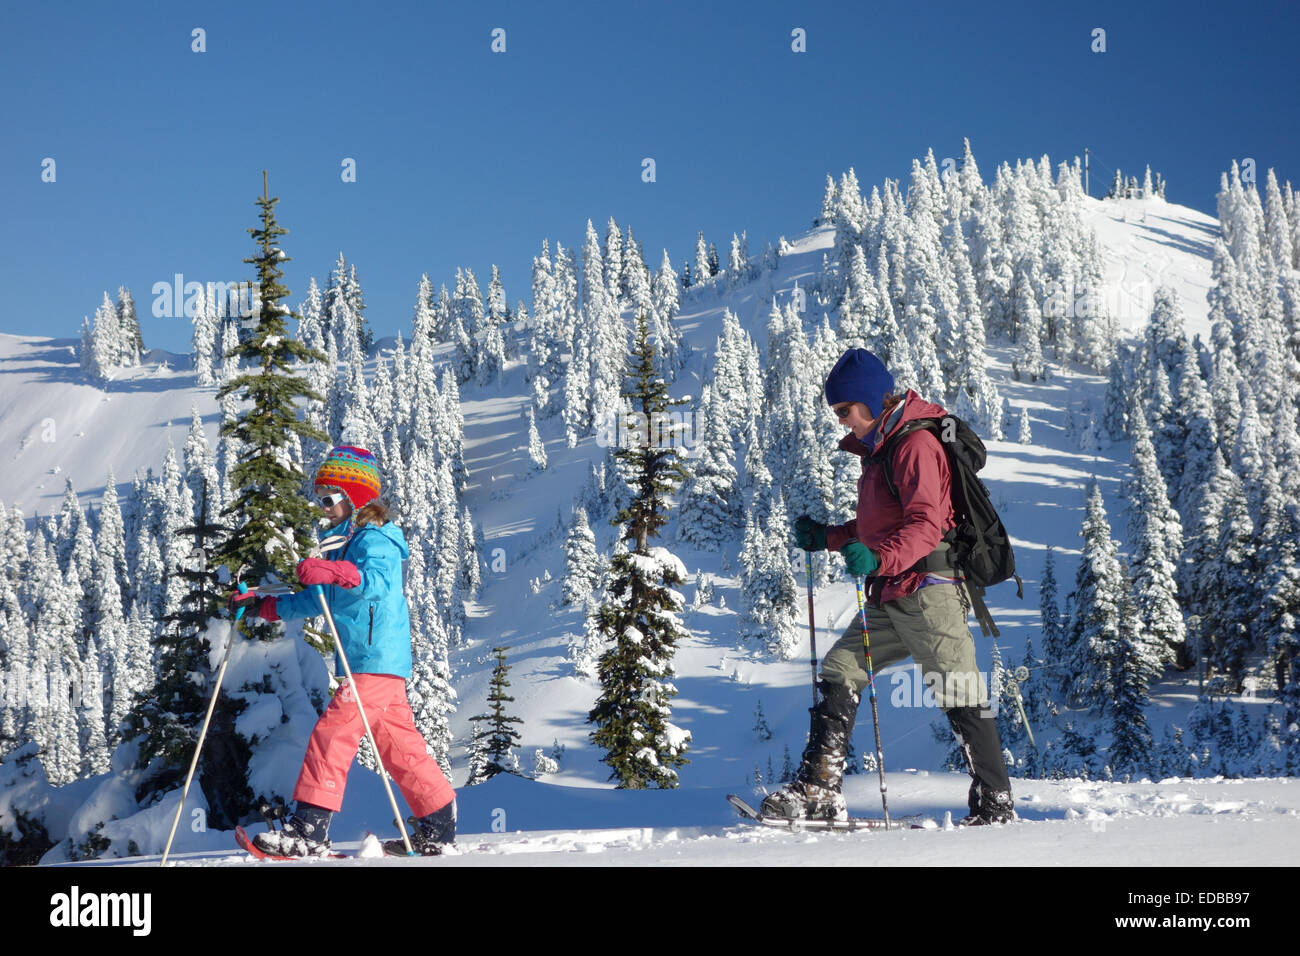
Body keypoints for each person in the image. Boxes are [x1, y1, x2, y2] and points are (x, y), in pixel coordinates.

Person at [761, 349, 1014, 826]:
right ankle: (818, 789)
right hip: (891, 591)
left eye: (845, 410)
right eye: (837, 412)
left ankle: (995, 802)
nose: (842, 421)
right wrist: (831, 538)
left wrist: (878, 557)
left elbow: (924, 524)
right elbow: (882, 523)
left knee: (958, 687)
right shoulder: (882, 449)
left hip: (928, 590)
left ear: (873, 401)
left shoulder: (914, 445)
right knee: (840, 670)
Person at [232, 445, 458, 856]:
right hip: (372, 662)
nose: (322, 507)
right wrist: (265, 606)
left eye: (329, 498)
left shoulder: (378, 539)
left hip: (374, 659)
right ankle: (438, 821)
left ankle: (309, 829)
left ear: (354, 498)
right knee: (399, 747)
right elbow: (319, 599)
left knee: (332, 732)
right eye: (319, 498)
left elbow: (372, 582)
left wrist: (332, 569)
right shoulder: (342, 545)